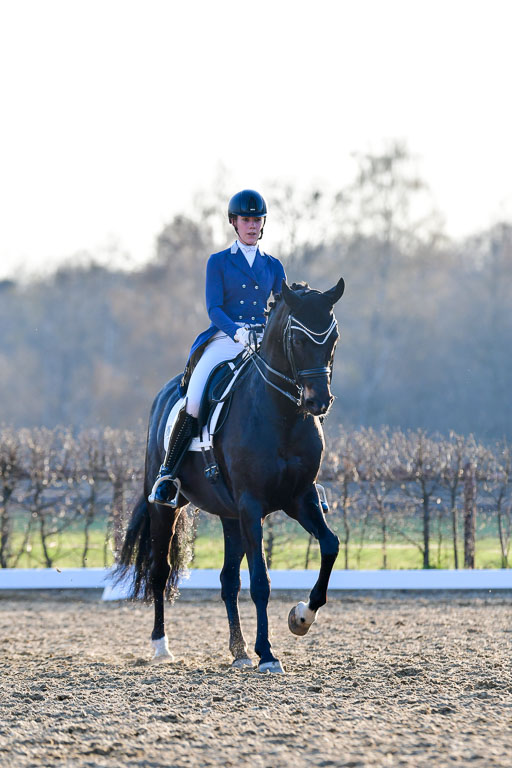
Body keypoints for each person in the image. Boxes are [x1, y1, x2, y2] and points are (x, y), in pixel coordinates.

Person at [151, 189, 287, 506]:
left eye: (257, 219)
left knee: (294, 393)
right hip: (227, 339)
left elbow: (282, 307)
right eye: (246, 220)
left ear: (263, 224)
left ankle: (306, 477)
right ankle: (168, 474)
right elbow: (214, 308)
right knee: (195, 398)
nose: (252, 225)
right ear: (234, 223)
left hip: (263, 343)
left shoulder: (274, 266)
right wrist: (238, 332)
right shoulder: (219, 262)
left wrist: (269, 334)